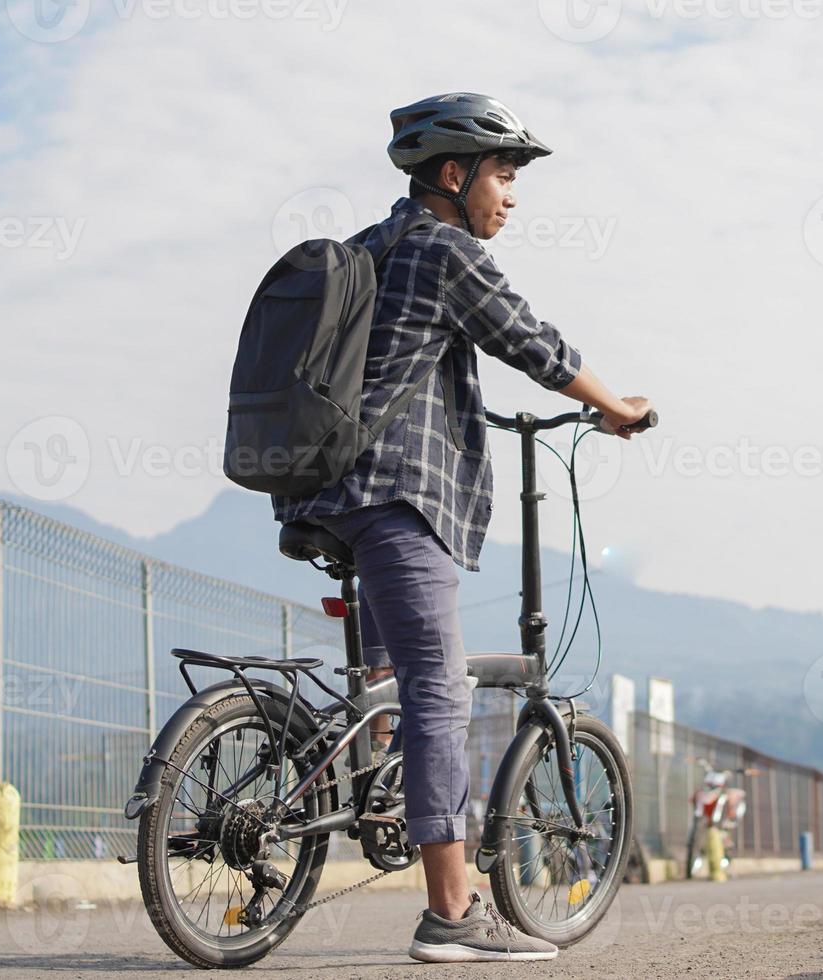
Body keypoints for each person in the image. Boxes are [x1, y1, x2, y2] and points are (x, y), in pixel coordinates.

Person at [272, 92, 654, 963]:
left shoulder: (371, 245)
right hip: (397, 493)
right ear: (455, 175)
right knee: (440, 693)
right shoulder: (443, 250)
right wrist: (616, 408)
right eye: (505, 177)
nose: (512, 197)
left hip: (319, 490)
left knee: (400, 679)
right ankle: (452, 912)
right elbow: (531, 342)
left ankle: (376, 767)